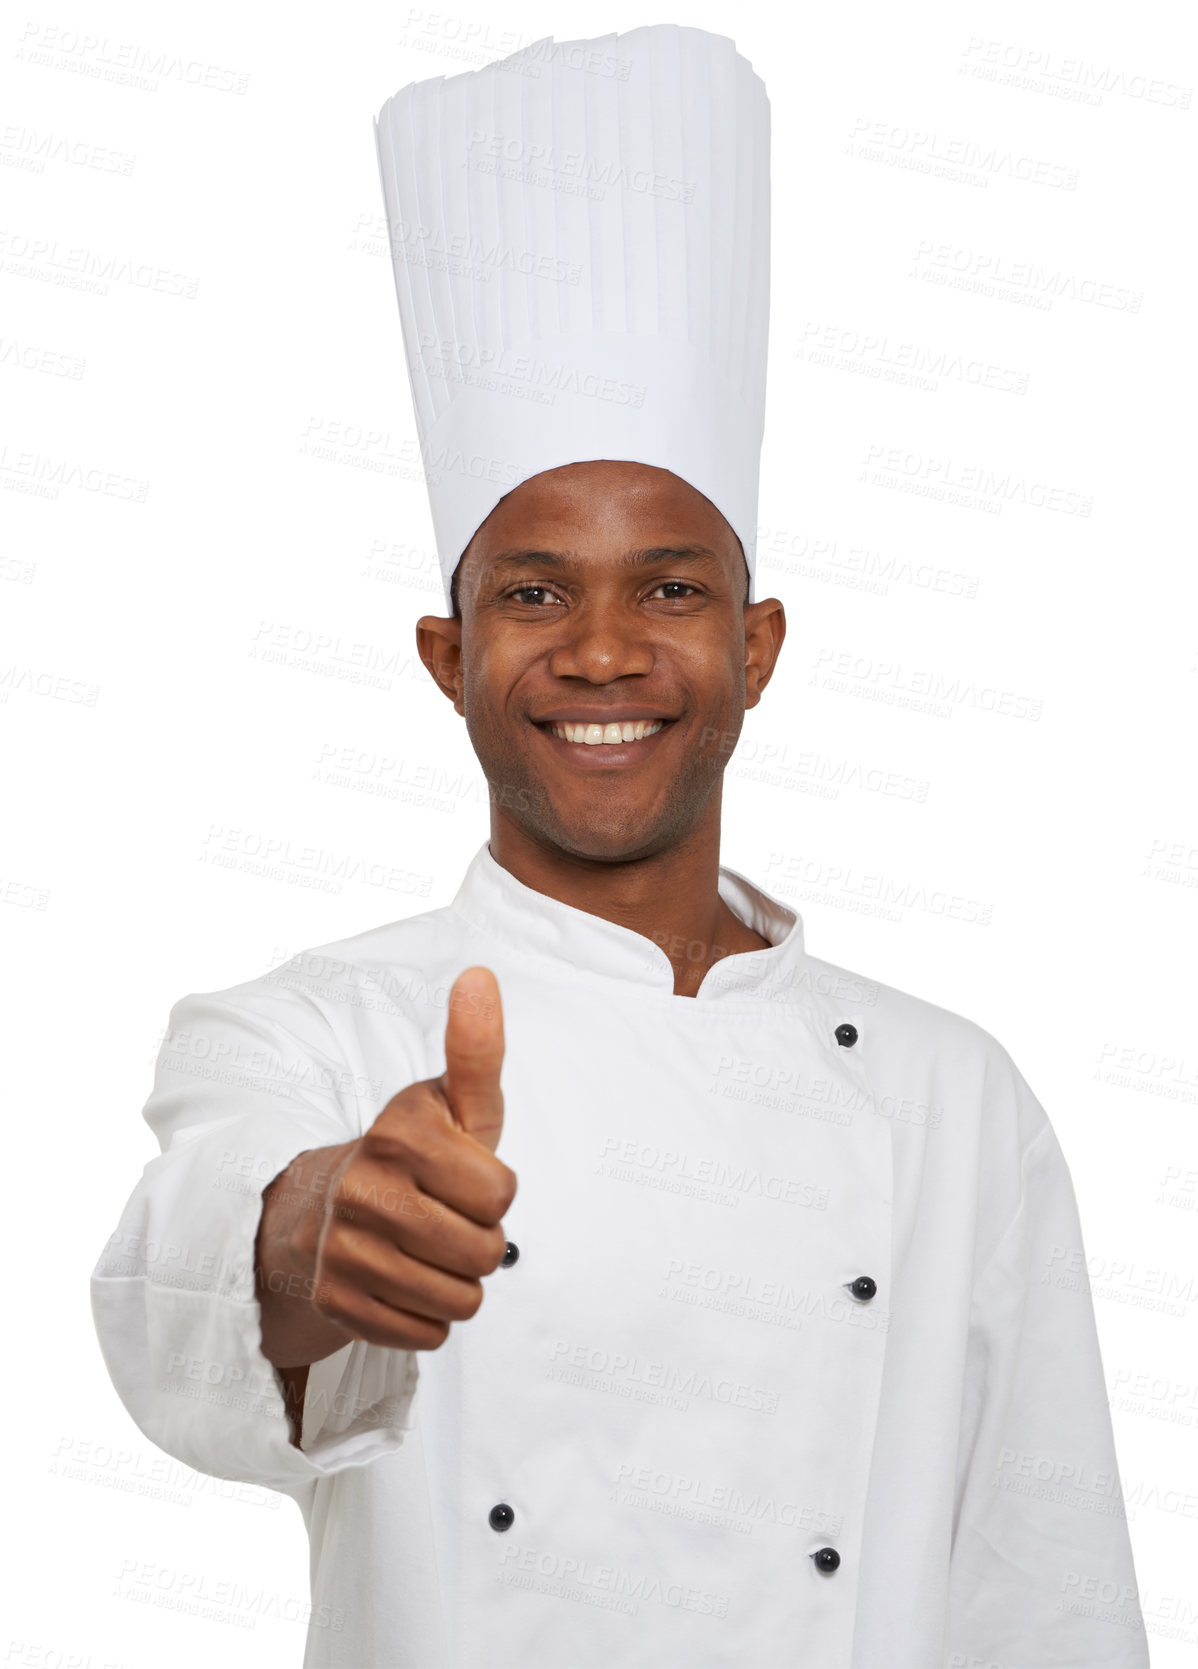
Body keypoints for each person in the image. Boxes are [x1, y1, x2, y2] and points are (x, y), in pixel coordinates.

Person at [91, 25, 1149, 1669]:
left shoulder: (956, 1102)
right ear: (448, 656)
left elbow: (1047, 1587)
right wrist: (312, 1233)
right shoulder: (307, 1033)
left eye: (668, 587)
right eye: (531, 591)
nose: (599, 653)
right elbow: (186, 1276)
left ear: (757, 647)